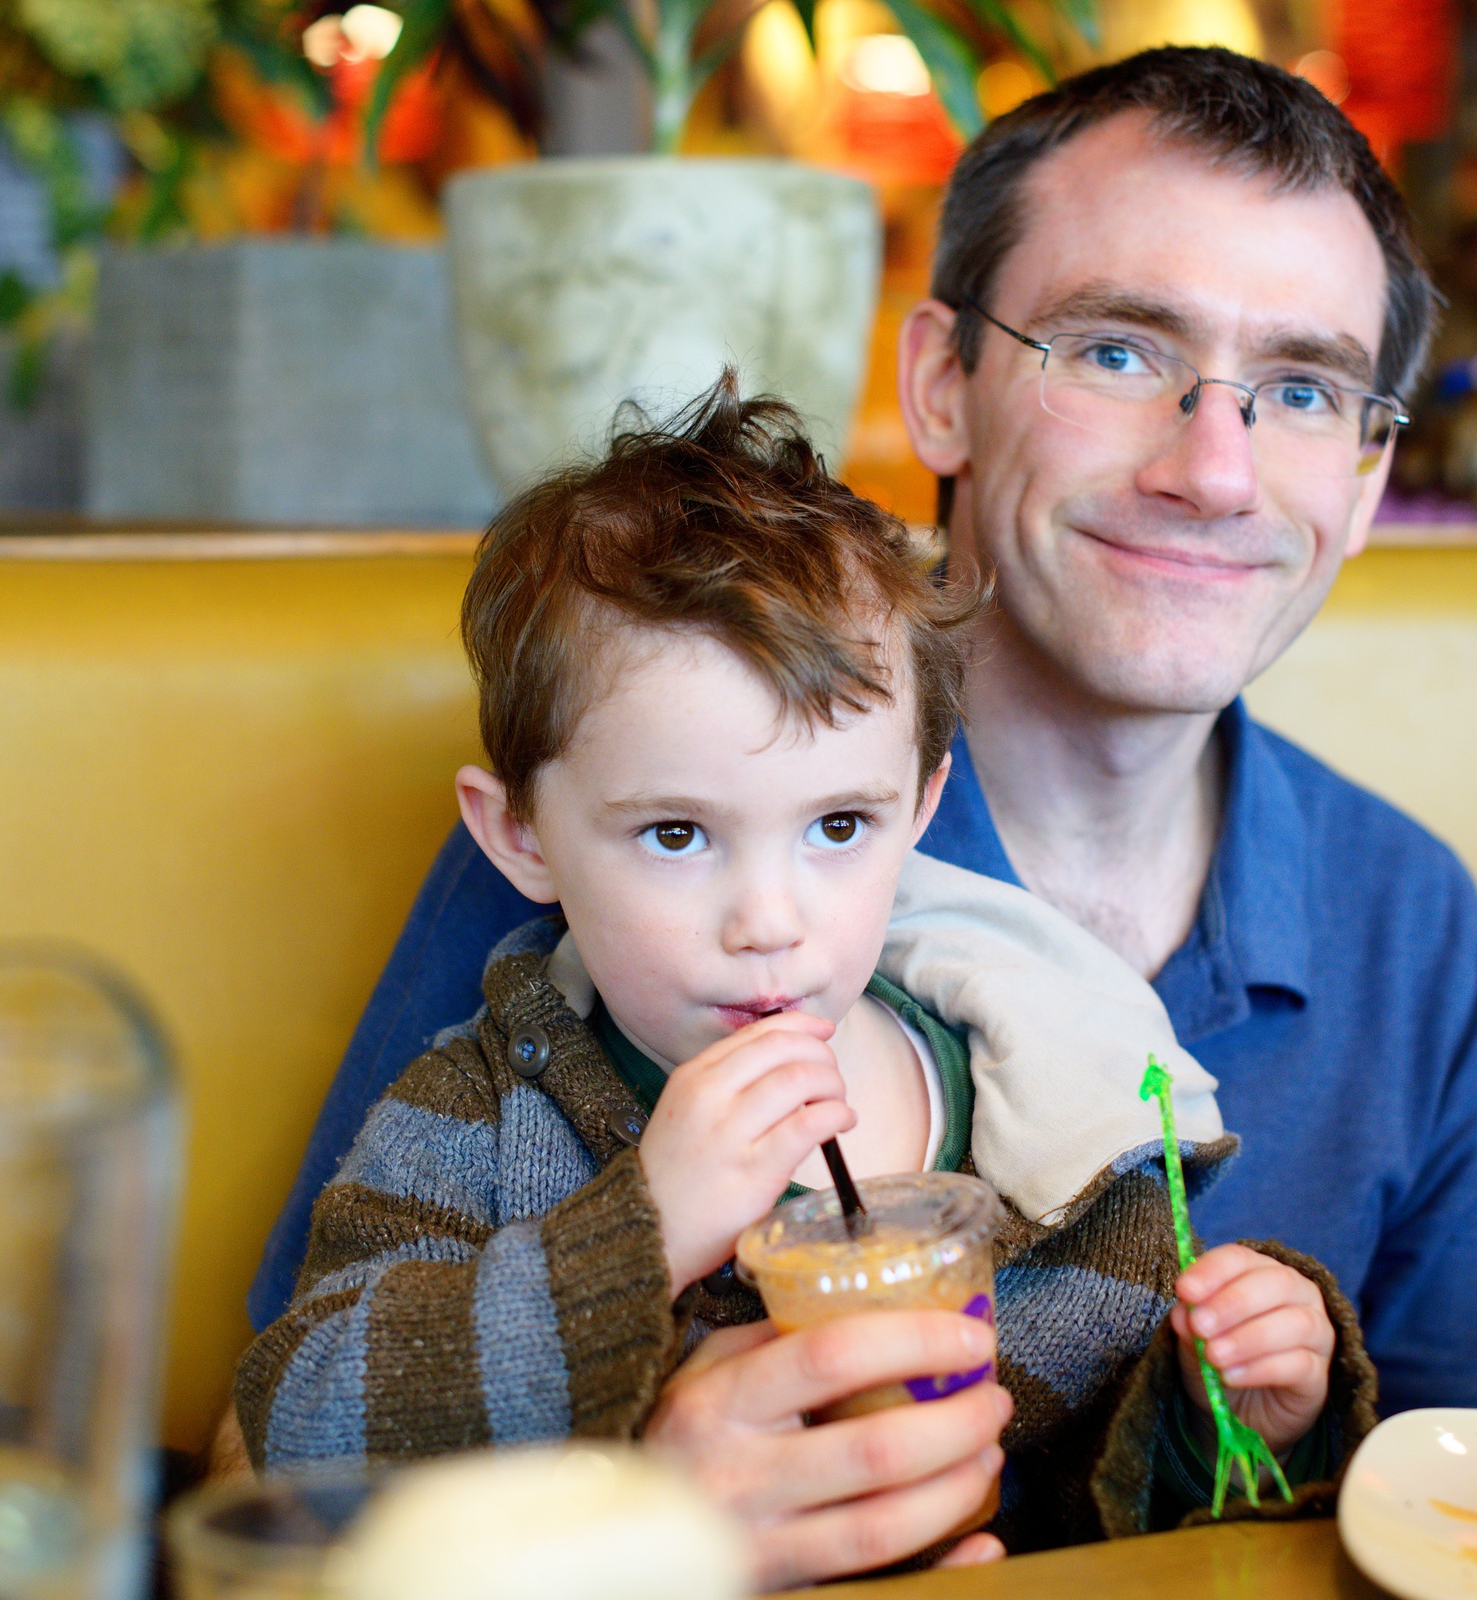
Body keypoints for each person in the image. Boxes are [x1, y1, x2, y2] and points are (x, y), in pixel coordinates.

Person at [251, 45, 1477, 1583]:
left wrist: (1266, 1405)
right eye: (1118, 351)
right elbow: (264, 1473)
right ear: (943, 386)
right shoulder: (628, 813)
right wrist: (636, 1506)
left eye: (1304, 391)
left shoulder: (1407, 911)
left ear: (1370, 471)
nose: (1216, 470)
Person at [235, 378, 1376, 1569]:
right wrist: (635, 1238)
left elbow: (1123, 1517)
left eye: (836, 826)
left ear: (919, 806)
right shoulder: (478, 1122)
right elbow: (298, 1422)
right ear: (520, 835)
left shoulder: (1064, 1127)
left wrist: (1225, 1415)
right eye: (675, 833)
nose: (768, 923)